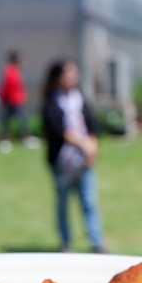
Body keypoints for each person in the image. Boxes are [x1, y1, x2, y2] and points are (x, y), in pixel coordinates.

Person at [41, 60, 106, 253]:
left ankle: (97, 242)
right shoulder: (52, 102)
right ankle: (65, 242)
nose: (72, 77)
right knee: (63, 203)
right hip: (63, 162)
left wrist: (92, 147)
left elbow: (92, 126)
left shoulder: (80, 99)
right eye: (67, 73)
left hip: (83, 162)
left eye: (74, 72)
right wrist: (84, 143)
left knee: (89, 202)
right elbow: (59, 131)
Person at [0, 51, 32, 152]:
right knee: (11, 121)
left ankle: (25, 138)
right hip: (12, 101)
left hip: (17, 100)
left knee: (21, 120)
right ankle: (5, 140)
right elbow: (8, 86)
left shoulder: (16, 70)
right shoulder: (9, 70)